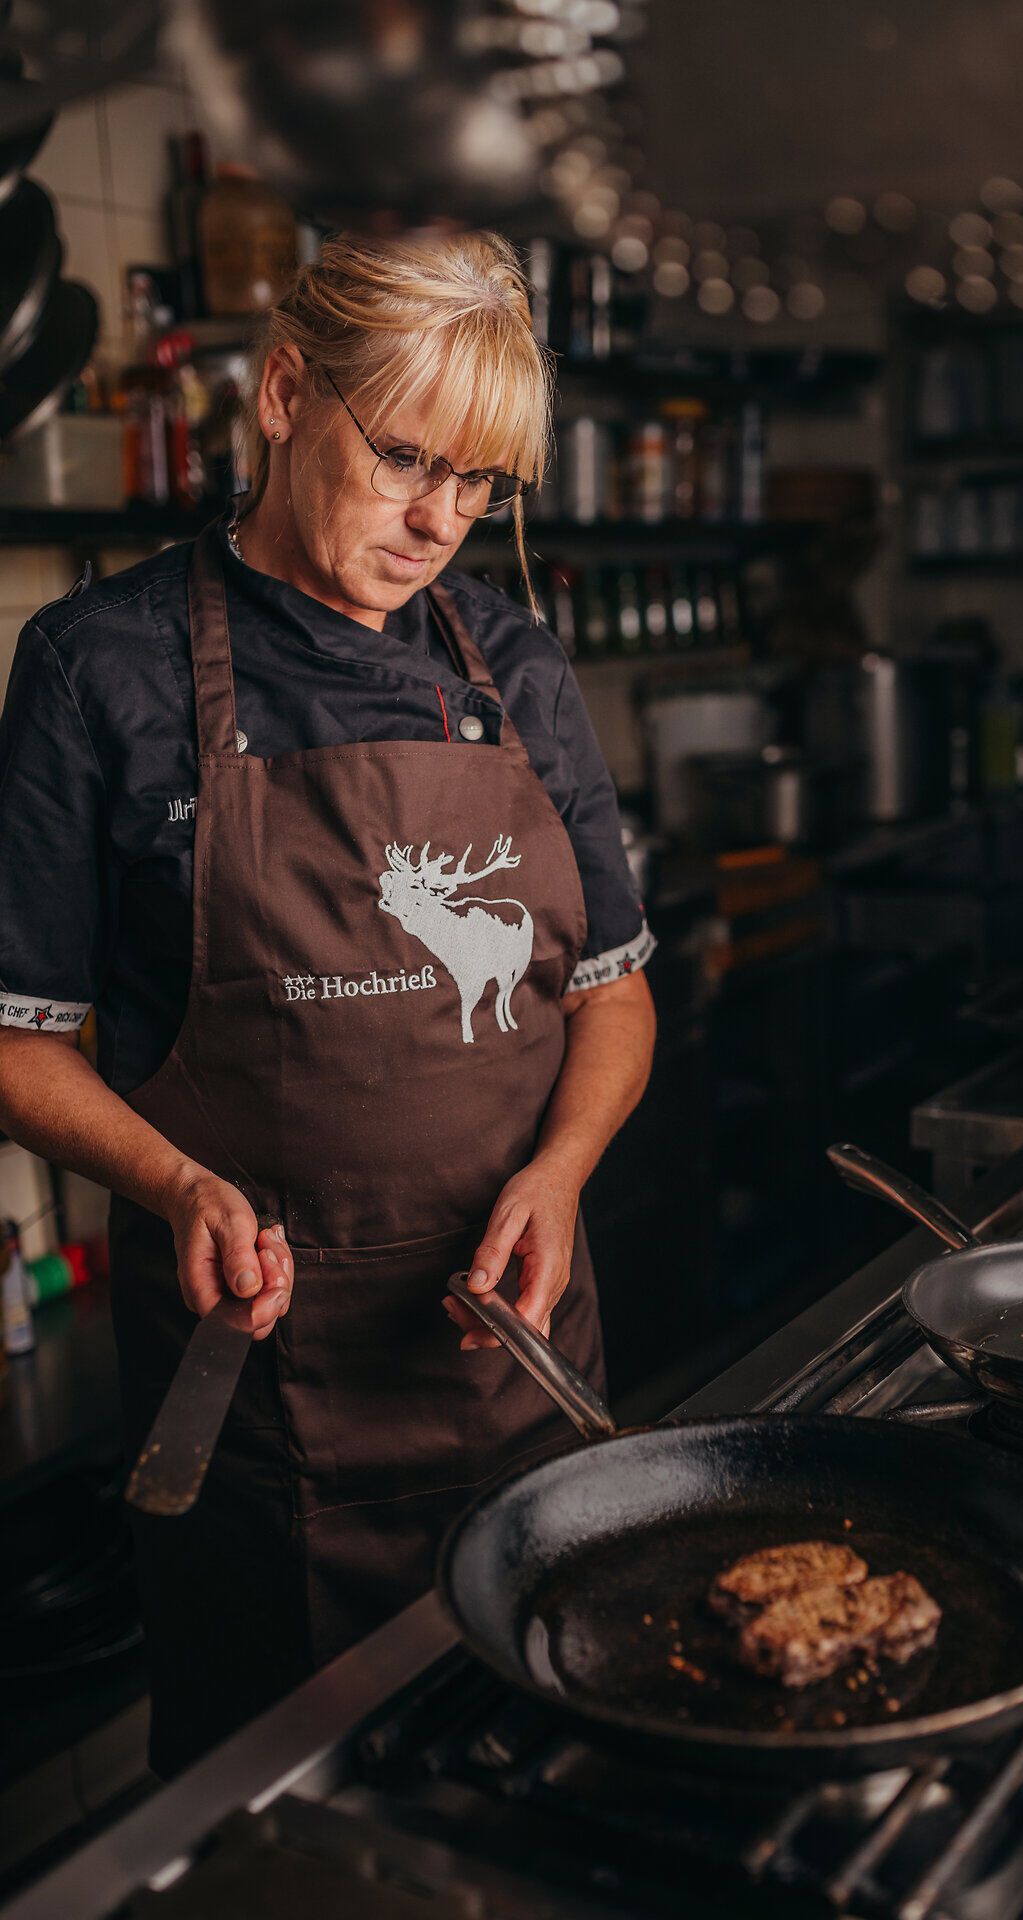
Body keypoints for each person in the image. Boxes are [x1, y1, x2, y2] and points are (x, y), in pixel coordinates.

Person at [0, 232, 656, 1774]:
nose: (441, 520)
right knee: (282, 1816)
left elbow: (612, 999)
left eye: (482, 484)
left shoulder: (514, 663)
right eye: (409, 458)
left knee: (550, 1773)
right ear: (288, 393)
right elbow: (16, 1038)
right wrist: (171, 1181)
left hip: (517, 1358)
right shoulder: (102, 667)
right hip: (259, 1403)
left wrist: (560, 1178)